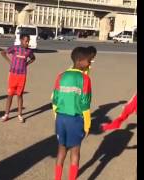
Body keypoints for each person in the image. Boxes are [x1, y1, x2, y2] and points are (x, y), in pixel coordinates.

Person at [52, 47, 92, 180]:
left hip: (61, 119)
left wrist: (56, 117)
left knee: (61, 150)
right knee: (75, 152)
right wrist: (87, 125)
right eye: (88, 60)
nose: (90, 63)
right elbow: (85, 104)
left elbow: (55, 100)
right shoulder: (85, 79)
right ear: (80, 61)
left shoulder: (61, 76)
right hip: (75, 120)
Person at [0, 34, 36, 123]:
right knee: (10, 95)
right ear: (21, 40)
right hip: (13, 74)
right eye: (26, 41)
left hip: (22, 75)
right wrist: (10, 62)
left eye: (28, 41)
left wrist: (26, 64)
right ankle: (6, 114)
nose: (27, 43)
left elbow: (33, 58)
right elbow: (3, 53)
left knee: (20, 95)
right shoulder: (15, 48)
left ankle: (20, 115)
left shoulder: (29, 51)